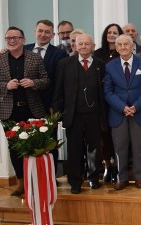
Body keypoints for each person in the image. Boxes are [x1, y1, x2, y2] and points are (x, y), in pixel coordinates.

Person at [53, 34, 105, 194]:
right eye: (80, 44)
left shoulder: (100, 64)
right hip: (73, 115)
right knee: (74, 149)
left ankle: (94, 178)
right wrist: (56, 112)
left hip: (94, 114)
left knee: (94, 149)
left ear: (93, 46)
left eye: (87, 44)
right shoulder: (65, 64)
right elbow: (58, 90)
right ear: (75, 45)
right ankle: (75, 182)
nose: (83, 46)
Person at [0, 26, 49, 196]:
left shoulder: (34, 58)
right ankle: (21, 183)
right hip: (9, 112)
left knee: (36, 147)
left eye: (15, 38)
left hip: (32, 110)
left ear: (23, 39)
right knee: (14, 148)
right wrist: (6, 86)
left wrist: (34, 83)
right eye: (8, 38)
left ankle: (36, 182)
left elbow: (45, 80)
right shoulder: (0, 59)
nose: (11, 41)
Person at [103, 35, 141, 190]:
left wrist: (136, 106)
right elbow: (107, 91)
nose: (123, 47)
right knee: (119, 148)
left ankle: (140, 177)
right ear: (116, 47)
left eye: (126, 44)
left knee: (139, 147)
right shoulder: (110, 66)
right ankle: (121, 178)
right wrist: (122, 107)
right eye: (120, 44)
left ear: (133, 46)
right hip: (118, 113)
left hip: (139, 112)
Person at [93, 23, 123, 183]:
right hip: (102, 101)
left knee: (117, 136)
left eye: (115, 32)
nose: (112, 35)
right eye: (109, 32)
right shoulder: (97, 54)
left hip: (119, 100)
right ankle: (107, 165)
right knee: (104, 136)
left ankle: (119, 166)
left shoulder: (122, 53)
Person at [25, 20, 68, 113]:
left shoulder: (60, 53)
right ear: (34, 32)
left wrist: (55, 105)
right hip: (25, 102)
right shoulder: (24, 49)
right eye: (40, 31)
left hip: (47, 104)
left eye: (47, 32)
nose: (43, 34)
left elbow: (59, 82)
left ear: (53, 35)